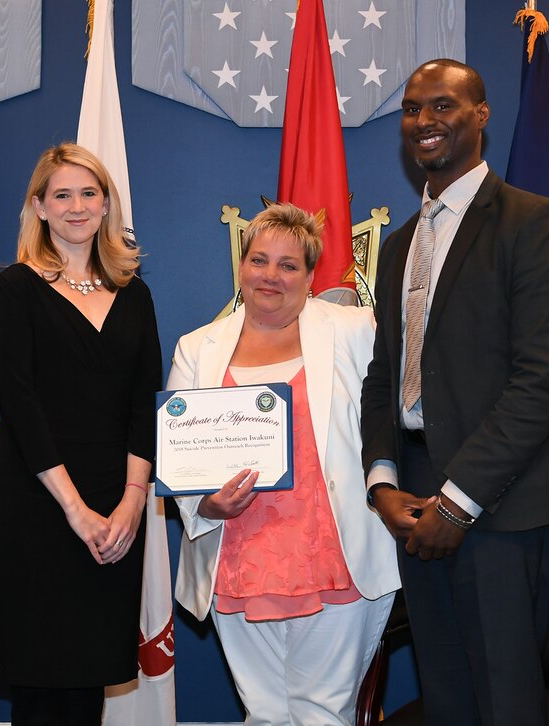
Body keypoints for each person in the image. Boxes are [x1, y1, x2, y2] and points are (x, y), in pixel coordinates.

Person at [359, 59, 549, 724]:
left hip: (500, 503)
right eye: (411, 109)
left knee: (504, 702)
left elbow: (542, 380)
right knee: (447, 698)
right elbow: (383, 374)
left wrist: (457, 505)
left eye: (442, 106)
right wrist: (381, 479)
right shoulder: (400, 246)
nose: (423, 121)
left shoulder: (533, 221)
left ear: (481, 115)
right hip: (415, 496)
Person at [169, 203, 399, 725]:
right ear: (241, 265)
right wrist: (205, 501)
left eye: (288, 264)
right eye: (259, 260)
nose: (270, 276)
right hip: (237, 558)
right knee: (266, 713)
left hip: (334, 552)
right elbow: (180, 457)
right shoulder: (197, 348)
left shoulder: (356, 330)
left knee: (323, 714)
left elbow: (399, 402)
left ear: (311, 274)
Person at [0, 143, 162, 725]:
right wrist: (76, 510)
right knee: (41, 675)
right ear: (39, 207)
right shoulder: (16, 288)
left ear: (107, 203)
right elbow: (21, 405)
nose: (77, 206)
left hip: (116, 500)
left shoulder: (135, 293)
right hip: (36, 499)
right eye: (62, 195)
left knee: (89, 670)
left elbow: (144, 405)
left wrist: (132, 502)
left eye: (89, 193)